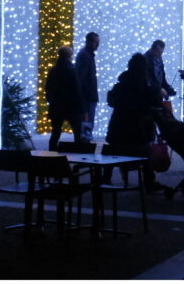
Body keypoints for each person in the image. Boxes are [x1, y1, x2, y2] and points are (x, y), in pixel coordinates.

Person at [107, 53, 166, 192]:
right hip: (138, 129)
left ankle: (105, 178)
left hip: (118, 128)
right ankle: (149, 182)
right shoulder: (145, 86)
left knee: (112, 151)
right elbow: (154, 102)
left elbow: (112, 101)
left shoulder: (121, 84)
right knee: (144, 153)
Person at [46, 45, 85, 151]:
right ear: (69, 56)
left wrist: (50, 100)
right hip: (70, 106)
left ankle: (51, 154)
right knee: (77, 132)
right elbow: (77, 90)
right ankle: (78, 153)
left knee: (55, 133)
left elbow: (48, 88)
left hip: (56, 106)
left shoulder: (53, 70)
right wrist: (82, 109)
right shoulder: (71, 70)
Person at [75, 32, 100, 141]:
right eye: (96, 42)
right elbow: (80, 78)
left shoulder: (86, 55)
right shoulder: (85, 56)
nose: (97, 45)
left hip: (88, 96)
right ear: (89, 42)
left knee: (86, 126)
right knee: (86, 126)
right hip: (87, 96)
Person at [144, 39, 177, 113]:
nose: (159, 55)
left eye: (161, 53)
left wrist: (168, 89)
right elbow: (147, 80)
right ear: (153, 49)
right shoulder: (145, 60)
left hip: (157, 96)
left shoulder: (159, 60)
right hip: (148, 97)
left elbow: (162, 78)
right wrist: (159, 89)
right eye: (158, 53)